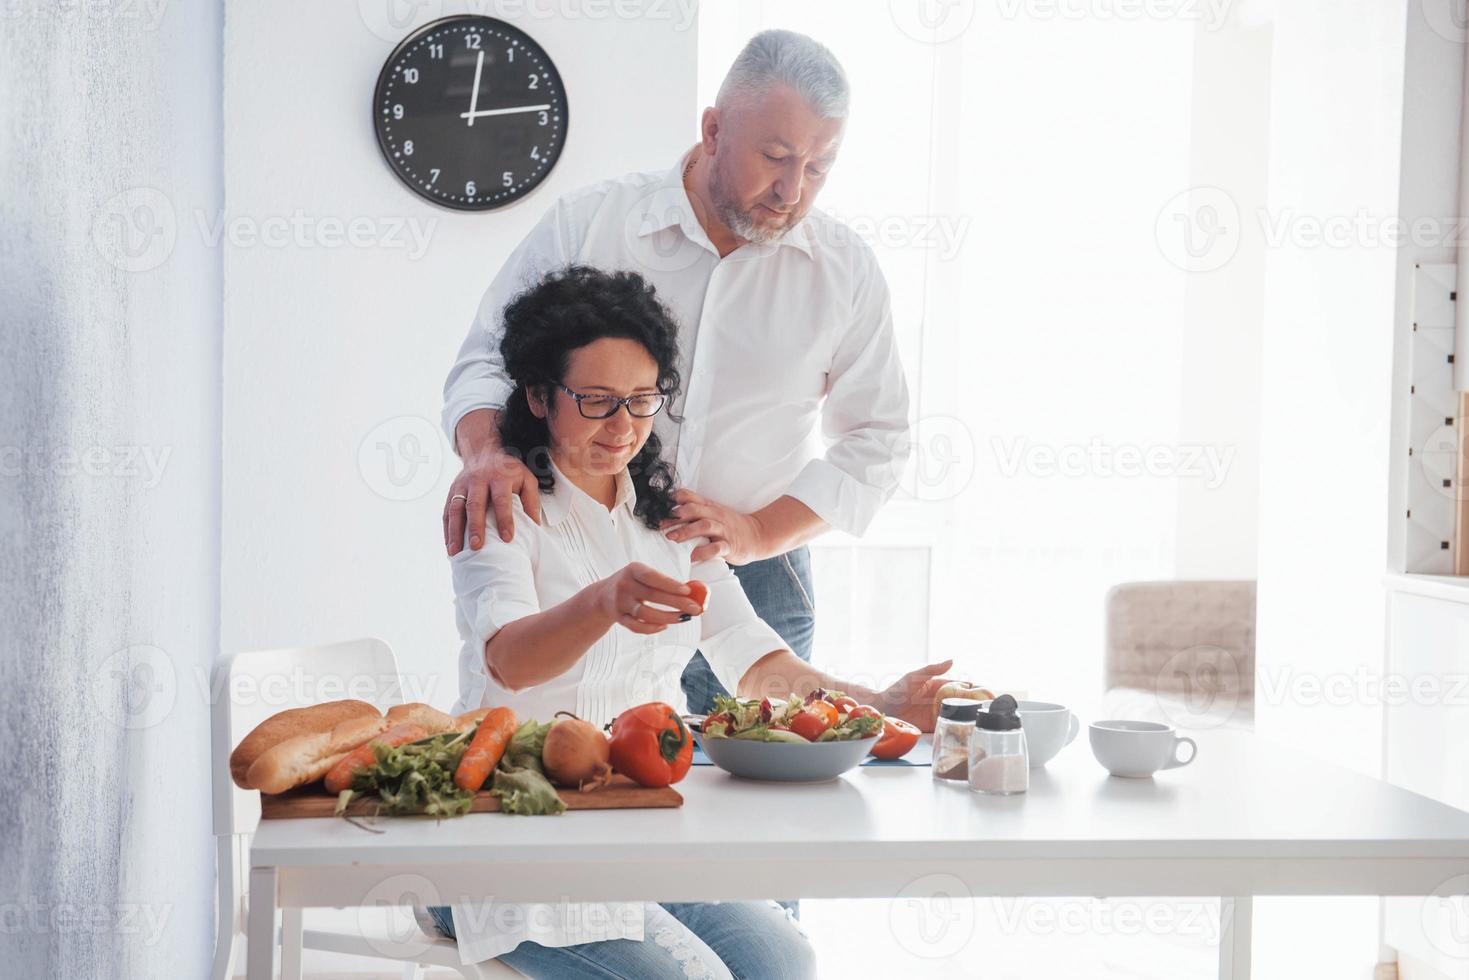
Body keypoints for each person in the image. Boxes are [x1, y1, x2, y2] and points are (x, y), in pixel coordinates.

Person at [426, 265, 951, 979]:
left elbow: (758, 662)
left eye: (642, 401)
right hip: (516, 834)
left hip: (636, 826)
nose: (624, 427)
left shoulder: (667, 521)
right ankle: (442, 906)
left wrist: (880, 705)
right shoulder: (502, 505)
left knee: (782, 957)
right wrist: (598, 604)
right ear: (538, 396)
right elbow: (508, 661)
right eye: (596, 400)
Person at [441, 29, 911, 716]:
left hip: (741, 563)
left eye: (817, 168)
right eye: (775, 156)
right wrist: (485, 453)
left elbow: (879, 440)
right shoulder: (592, 223)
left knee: (757, 771)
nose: (790, 190)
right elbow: (488, 356)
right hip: (567, 521)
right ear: (714, 130)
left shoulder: (842, 270)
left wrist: (756, 533)